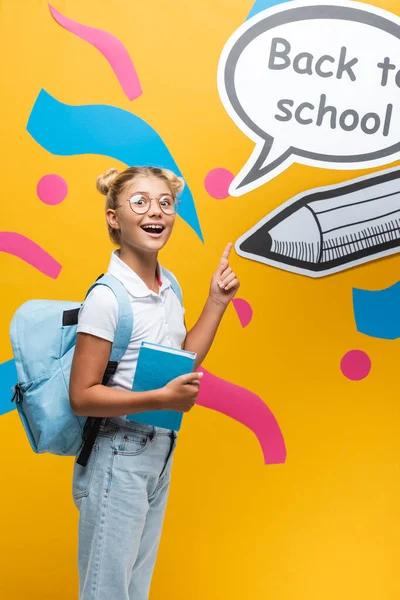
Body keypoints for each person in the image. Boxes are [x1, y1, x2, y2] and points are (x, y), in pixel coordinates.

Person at [69, 165, 240, 600]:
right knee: (106, 592)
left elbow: (182, 361)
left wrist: (217, 303)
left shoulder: (169, 287)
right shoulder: (109, 298)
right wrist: (159, 398)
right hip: (117, 454)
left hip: (158, 451)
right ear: (114, 217)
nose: (156, 212)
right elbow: (82, 396)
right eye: (140, 201)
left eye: (166, 203)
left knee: (133, 588)